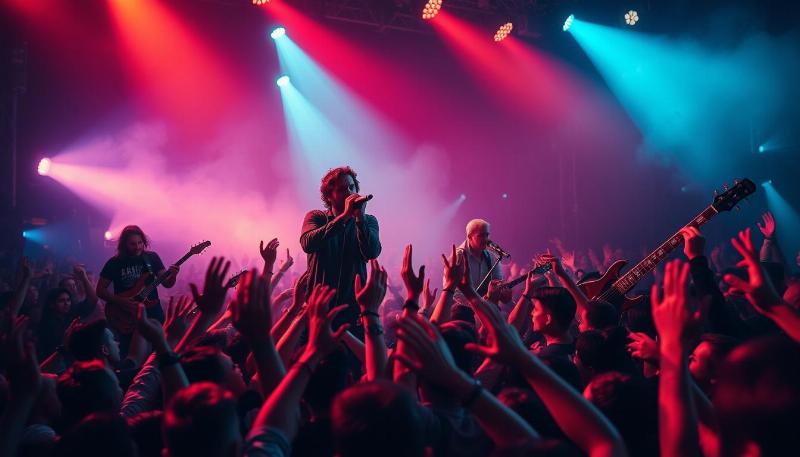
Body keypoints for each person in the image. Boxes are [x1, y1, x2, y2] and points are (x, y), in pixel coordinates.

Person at [300, 166, 381, 330]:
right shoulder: (317, 217)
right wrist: (343, 217)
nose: (349, 192)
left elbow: (372, 252)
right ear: (329, 197)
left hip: (353, 315)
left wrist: (360, 221)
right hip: (317, 312)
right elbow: (307, 243)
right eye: (342, 189)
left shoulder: (369, 221)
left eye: (352, 187)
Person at [96, 225, 179, 353]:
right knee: (130, 351)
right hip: (126, 314)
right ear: (124, 245)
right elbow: (100, 290)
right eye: (132, 244)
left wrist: (173, 275)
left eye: (140, 243)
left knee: (160, 349)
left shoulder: (152, 258)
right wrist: (121, 301)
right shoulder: (114, 263)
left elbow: (167, 284)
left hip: (152, 312)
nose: (138, 247)